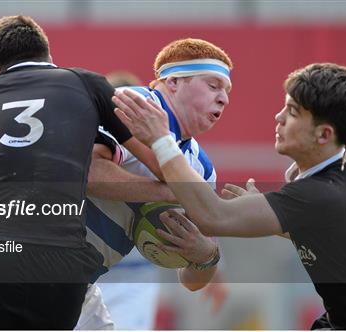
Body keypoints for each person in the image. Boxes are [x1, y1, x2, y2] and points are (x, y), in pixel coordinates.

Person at [113, 63, 346, 329]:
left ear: (324, 135)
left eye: (293, 112)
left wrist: (160, 139)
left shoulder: (320, 194)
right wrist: (271, 218)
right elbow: (334, 240)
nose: (278, 117)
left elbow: (214, 215)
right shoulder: (333, 179)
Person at [0, 15, 157, 330]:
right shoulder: (87, 83)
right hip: (61, 260)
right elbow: (154, 157)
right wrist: (181, 189)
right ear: (48, 54)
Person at [75, 38, 233, 329]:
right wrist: (175, 190)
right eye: (213, 86)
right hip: (41, 263)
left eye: (226, 90)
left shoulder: (201, 168)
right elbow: (89, 174)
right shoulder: (133, 104)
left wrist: (205, 257)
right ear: (173, 81)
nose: (224, 98)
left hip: (97, 281)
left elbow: (191, 280)